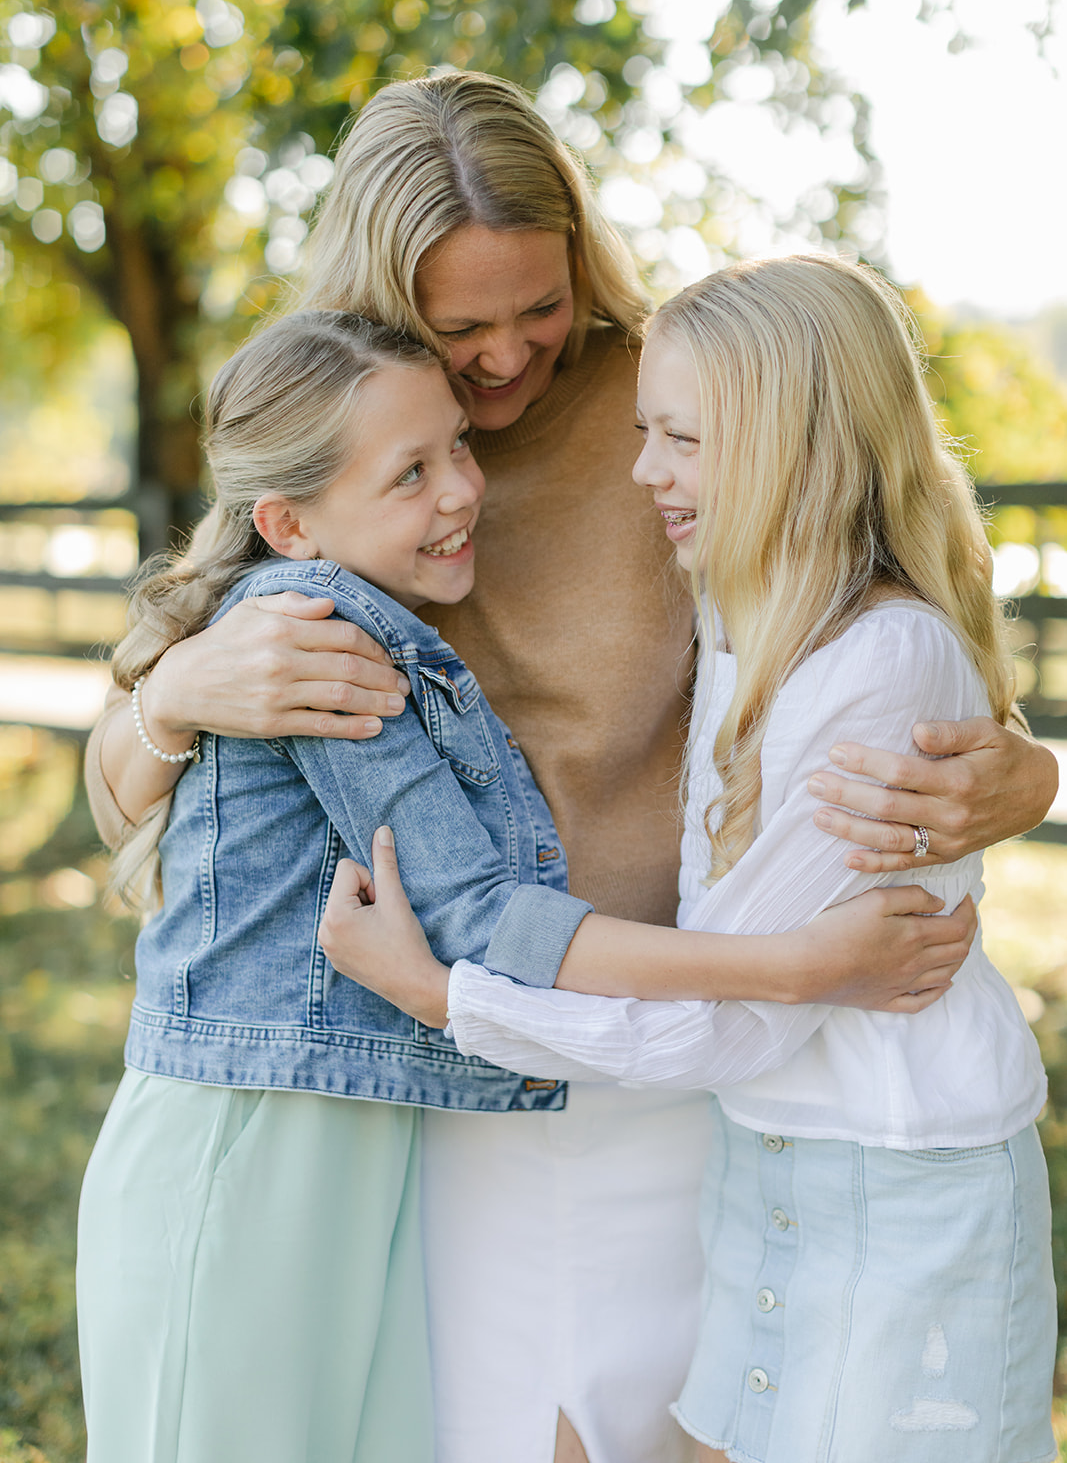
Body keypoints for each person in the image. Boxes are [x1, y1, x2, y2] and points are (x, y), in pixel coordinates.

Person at [83, 72, 1057, 1463]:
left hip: (670, 1046)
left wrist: (1021, 774)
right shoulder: (341, 430)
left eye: (534, 308)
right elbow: (121, 787)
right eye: (456, 325)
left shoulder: (684, 408)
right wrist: (172, 696)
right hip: (453, 1052)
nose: (497, 361)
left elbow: (883, 616)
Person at [324, 256, 1057, 1463]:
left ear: (790, 451)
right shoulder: (736, 608)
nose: (641, 471)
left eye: (680, 439)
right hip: (770, 1151)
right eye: (642, 430)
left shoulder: (878, 666)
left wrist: (442, 995)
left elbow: (729, 1019)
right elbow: (751, 978)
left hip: (898, 1180)